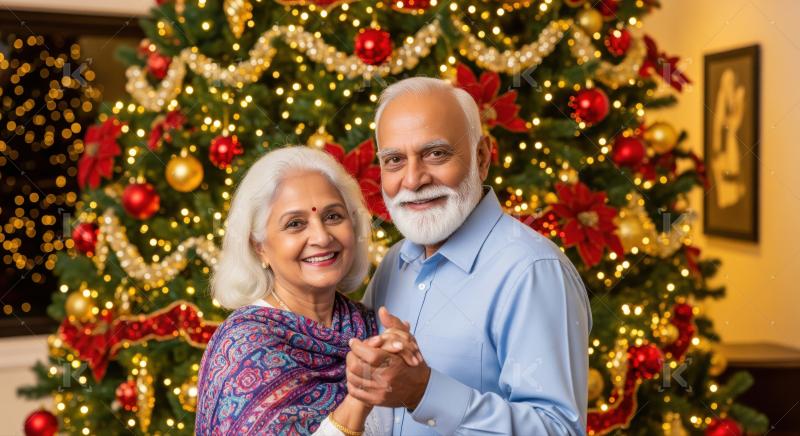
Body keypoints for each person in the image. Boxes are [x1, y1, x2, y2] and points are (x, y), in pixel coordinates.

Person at [345, 77, 592, 435]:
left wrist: (424, 392)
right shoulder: (394, 264)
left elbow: (559, 430)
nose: (413, 180)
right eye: (395, 160)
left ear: (482, 157)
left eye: (436, 154)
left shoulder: (533, 271)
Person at [195, 147, 418, 435]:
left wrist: (413, 379)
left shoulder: (368, 326)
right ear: (258, 246)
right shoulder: (242, 348)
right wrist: (358, 399)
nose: (322, 237)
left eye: (333, 216)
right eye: (295, 224)